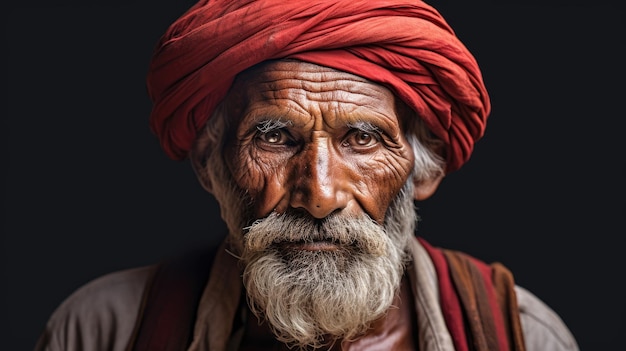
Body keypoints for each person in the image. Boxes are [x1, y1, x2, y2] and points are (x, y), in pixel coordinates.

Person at [34, 0, 579, 350]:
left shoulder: (524, 337)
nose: (318, 194)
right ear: (210, 163)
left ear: (423, 168)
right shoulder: (101, 331)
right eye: (274, 136)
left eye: (362, 139)